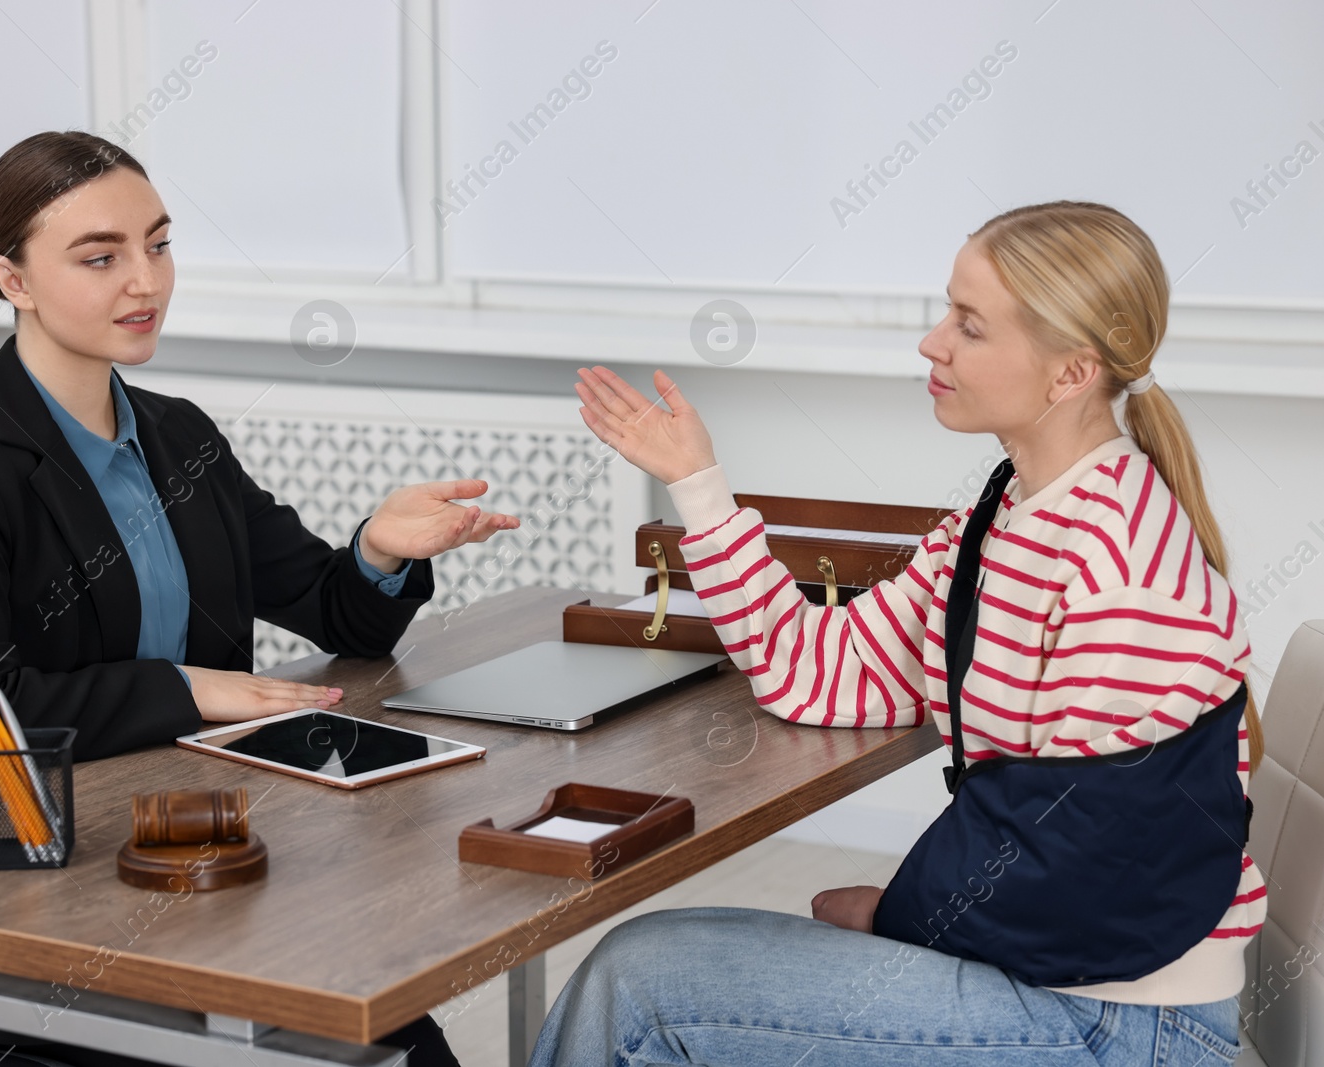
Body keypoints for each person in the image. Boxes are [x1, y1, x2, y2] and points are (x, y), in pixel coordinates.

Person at [0, 131, 502, 1067]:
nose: (145, 281)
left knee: (385, 1011)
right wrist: (188, 689)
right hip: (31, 870)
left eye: (158, 245)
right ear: (13, 279)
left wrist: (377, 549)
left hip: (181, 835)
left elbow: (341, 617)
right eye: (101, 256)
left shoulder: (179, 437)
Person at [536, 201, 1265, 1066]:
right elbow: (814, 670)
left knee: (639, 987)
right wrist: (698, 485)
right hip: (1056, 970)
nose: (933, 343)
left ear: (1070, 371)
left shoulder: (1126, 567)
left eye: (969, 324)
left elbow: (1091, 858)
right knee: (639, 965)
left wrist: (898, 914)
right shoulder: (999, 520)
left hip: (1122, 1021)